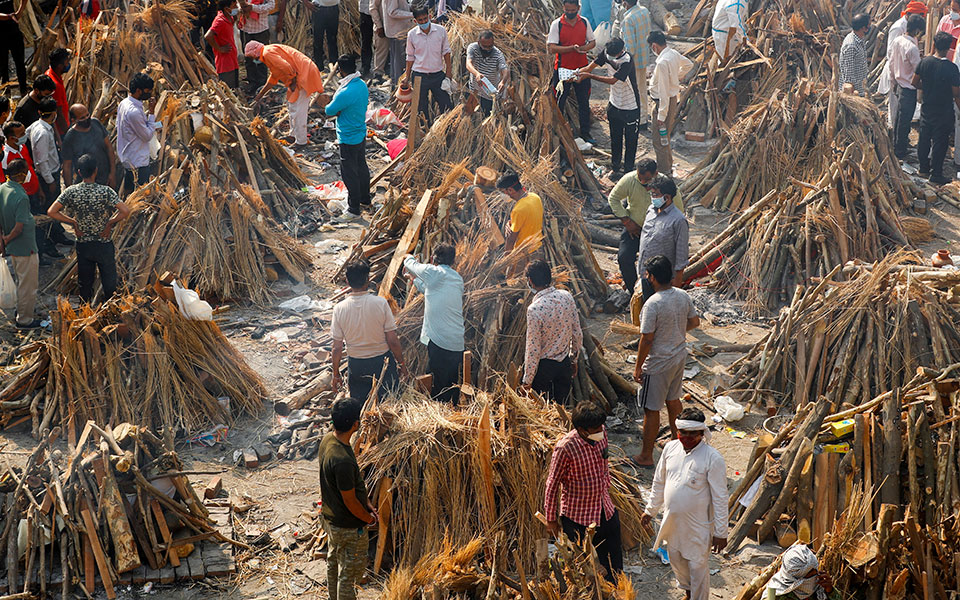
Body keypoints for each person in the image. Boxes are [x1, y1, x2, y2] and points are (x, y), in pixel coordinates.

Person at [642, 408, 728, 600]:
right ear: (677, 431)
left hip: (698, 527)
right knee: (677, 562)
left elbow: (720, 498)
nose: (687, 438)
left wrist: (721, 533)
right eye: (683, 433)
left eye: (692, 434)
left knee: (697, 568)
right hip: (672, 523)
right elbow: (659, 481)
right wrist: (650, 510)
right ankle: (689, 594)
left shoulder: (712, 458)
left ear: (702, 433)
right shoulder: (670, 449)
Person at [544, 401, 623, 582]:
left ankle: (615, 589)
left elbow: (604, 463)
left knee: (614, 564)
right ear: (582, 430)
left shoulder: (601, 434)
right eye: (596, 429)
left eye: (601, 427)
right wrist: (551, 520)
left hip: (604, 509)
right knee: (584, 570)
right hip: (578, 518)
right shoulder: (565, 448)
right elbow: (552, 484)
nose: (601, 431)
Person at [632, 255, 699, 466]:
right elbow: (694, 322)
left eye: (648, 274)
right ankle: (678, 445)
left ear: (652, 277)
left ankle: (646, 456)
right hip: (678, 357)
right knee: (673, 401)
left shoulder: (653, 304)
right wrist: (676, 331)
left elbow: (647, 339)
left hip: (658, 363)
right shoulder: (682, 295)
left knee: (651, 409)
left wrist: (638, 367)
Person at [48, 155, 131, 303]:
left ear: (79, 172)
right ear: (96, 170)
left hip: (84, 244)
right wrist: (109, 223)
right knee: (109, 283)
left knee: (85, 284)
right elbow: (125, 211)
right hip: (104, 243)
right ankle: (110, 310)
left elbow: (51, 212)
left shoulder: (71, 191)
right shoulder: (106, 191)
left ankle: (85, 310)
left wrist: (73, 222)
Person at [318, 398, 377, 600]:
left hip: (332, 520)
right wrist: (368, 519)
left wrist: (366, 501)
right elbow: (350, 501)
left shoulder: (329, 440)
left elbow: (348, 487)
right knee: (349, 577)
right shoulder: (342, 460)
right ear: (355, 424)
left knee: (334, 563)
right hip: (348, 527)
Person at [330, 259, 408, 400]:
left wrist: (335, 374)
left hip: (357, 365)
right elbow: (392, 340)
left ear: (347, 281)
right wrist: (401, 364)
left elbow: (337, 348)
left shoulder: (339, 309)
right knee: (388, 403)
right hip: (382, 363)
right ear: (368, 280)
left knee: (361, 405)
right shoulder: (380, 303)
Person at [609, 159, 685, 294]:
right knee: (624, 257)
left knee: (658, 266)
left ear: (656, 174)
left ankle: (658, 291)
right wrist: (626, 221)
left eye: (647, 179)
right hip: (634, 228)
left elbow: (677, 212)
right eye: (640, 178)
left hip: (659, 233)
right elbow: (613, 198)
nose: (643, 182)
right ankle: (634, 291)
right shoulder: (629, 180)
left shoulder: (666, 184)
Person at [402, 244, 465, 404]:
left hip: (440, 342)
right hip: (457, 342)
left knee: (437, 385)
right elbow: (430, 290)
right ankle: (453, 410)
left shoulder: (434, 272)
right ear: (453, 261)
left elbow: (412, 265)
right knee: (452, 383)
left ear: (432, 259)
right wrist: (413, 280)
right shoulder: (457, 278)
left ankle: (439, 411)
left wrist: (407, 257)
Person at [578, 38, 641, 175]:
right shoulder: (607, 53)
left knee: (631, 142)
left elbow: (612, 80)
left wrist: (589, 76)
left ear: (621, 51)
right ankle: (615, 168)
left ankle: (628, 171)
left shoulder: (627, 61)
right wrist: (577, 73)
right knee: (615, 139)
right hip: (614, 103)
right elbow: (589, 67)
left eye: (613, 55)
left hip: (630, 106)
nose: (610, 57)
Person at [523, 260, 582, 403]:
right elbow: (577, 333)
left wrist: (527, 380)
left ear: (530, 281)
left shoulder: (534, 309)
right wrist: (574, 360)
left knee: (543, 411)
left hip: (544, 369)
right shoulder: (566, 297)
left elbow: (533, 349)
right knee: (561, 408)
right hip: (564, 365)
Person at [248, 42, 325, 147]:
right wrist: (259, 96)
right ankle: (293, 135)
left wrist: (293, 81)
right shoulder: (268, 53)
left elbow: (286, 66)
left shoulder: (267, 53)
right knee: (292, 106)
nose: (253, 59)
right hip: (299, 74)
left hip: (303, 73)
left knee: (299, 110)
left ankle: (301, 141)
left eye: (251, 57)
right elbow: (273, 78)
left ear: (254, 52)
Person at [324, 54, 370, 222]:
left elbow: (329, 110)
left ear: (341, 70)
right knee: (361, 166)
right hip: (360, 132)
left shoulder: (345, 92)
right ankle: (365, 199)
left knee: (349, 174)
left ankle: (353, 209)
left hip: (348, 137)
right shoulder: (362, 85)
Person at [914, 31, 960, 184]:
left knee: (924, 138)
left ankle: (923, 168)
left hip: (927, 107)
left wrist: (928, 87)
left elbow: (914, 82)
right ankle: (936, 174)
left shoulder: (925, 62)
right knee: (940, 142)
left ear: (934, 44)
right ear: (948, 48)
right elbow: (956, 93)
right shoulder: (952, 68)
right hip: (944, 110)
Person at [547, 0, 596, 142]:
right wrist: (571, 49)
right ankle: (558, 133)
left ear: (578, 8)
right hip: (563, 68)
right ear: (563, 8)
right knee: (559, 102)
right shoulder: (557, 24)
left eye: (572, 10)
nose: (569, 13)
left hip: (582, 68)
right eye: (567, 10)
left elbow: (592, 42)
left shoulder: (584, 22)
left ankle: (585, 133)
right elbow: (552, 48)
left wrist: (583, 49)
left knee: (584, 102)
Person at [635, 175, 688, 301]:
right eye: (651, 194)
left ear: (667, 197)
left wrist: (677, 282)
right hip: (646, 273)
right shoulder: (650, 211)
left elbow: (681, 255)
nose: (652, 198)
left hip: (663, 280)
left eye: (655, 195)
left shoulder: (678, 220)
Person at [0, 160, 39, 328]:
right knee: (28, 286)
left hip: (14, 248)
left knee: (21, 280)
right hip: (25, 247)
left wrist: (3, 242)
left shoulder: (3, 188)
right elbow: (19, 228)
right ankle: (25, 319)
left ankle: (21, 310)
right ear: (22, 174)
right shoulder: (21, 197)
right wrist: (7, 239)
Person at [25, 98, 68, 248]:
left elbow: (25, 136)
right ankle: (49, 242)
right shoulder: (43, 133)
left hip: (48, 173)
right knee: (50, 209)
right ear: (54, 113)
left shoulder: (37, 126)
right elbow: (42, 161)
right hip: (47, 176)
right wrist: (50, 181)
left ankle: (57, 234)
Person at [648, 31, 692, 175]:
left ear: (654, 46)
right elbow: (689, 65)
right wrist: (675, 77)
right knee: (665, 137)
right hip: (671, 100)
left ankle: (664, 171)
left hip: (663, 102)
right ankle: (668, 165)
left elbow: (663, 93)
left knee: (659, 141)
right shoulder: (673, 53)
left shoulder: (662, 63)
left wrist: (661, 115)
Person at [880, 1, 927, 129]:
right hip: (898, 71)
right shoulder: (898, 28)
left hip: (903, 71)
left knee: (902, 114)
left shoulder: (909, 30)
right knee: (896, 111)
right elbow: (891, 53)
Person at [403, 6, 453, 121]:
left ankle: (446, 128)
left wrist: (448, 72)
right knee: (421, 108)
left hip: (438, 75)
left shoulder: (440, 31)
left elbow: (446, 52)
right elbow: (410, 57)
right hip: (419, 76)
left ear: (429, 17)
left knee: (446, 105)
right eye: (420, 20)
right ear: (415, 21)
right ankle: (425, 129)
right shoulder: (412, 34)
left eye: (425, 19)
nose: (424, 22)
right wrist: (407, 76)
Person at [116, 73, 157, 196]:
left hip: (128, 158)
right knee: (141, 196)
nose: (150, 93)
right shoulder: (134, 112)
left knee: (129, 193)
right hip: (138, 162)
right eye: (147, 91)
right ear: (139, 91)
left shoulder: (124, 103)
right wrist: (152, 112)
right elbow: (147, 136)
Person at [891, 14, 924, 159]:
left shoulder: (898, 41)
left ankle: (897, 145)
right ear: (917, 30)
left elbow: (892, 63)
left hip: (899, 84)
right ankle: (900, 151)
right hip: (909, 88)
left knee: (899, 118)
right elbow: (919, 70)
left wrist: (893, 82)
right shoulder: (912, 48)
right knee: (904, 121)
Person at [62, 104, 118, 188]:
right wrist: (69, 188)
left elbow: (109, 148)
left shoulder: (96, 123)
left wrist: (112, 174)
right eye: (82, 118)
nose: (87, 119)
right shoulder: (70, 137)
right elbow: (67, 165)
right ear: (74, 120)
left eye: (87, 115)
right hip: (86, 184)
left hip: (105, 179)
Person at [619, 0, 652, 129]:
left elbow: (630, 49)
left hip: (633, 62)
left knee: (633, 91)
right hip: (643, 57)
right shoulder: (644, 11)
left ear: (625, 3)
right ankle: (643, 117)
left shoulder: (628, 20)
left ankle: (638, 119)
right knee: (642, 88)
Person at [765, 544, 839, 600]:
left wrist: (830, 591)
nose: (814, 576)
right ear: (793, 578)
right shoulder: (774, 595)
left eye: (815, 571)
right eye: (809, 575)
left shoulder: (819, 587)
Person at [497, 173, 543, 254]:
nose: (502, 195)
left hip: (524, 252)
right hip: (537, 246)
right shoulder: (535, 197)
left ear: (510, 190)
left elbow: (511, 239)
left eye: (503, 192)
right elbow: (527, 220)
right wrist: (510, 223)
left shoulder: (518, 210)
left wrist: (507, 257)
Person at [465, 30, 509, 116]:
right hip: (474, 89)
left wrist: (503, 82)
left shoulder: (498, 54)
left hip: (489, 94)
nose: (488, 49)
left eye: (490, 46)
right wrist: (477, 74)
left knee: (486, 116)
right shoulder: (473, 48)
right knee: (468, 113)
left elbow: (505, 70)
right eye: (485, 46)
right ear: (479, 43)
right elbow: (468, 64)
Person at [238, 0, 275, 91]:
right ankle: (252, 82)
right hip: (246, 29)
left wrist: (253, 8)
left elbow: (271, 5)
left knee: (261, 58)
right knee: (248, 58)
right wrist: (241, 8)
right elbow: (238, 4)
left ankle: (262, 84)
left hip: (260, 30)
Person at [205, 0, 240, 89]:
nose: (237, 7)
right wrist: (220, 48)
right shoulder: (219, 21)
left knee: (235, 87)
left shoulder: (228, 17)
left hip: (232, 59)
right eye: (234, 5)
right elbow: (208, 36)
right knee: (228, 88)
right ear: (226, 9)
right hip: (225, 63)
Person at [0, 0, 27, 97]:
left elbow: (24, 2)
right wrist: (9, 16)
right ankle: (6, 95)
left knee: (20, 63)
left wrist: (20, 10)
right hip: (1, 36)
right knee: (3, 65)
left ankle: (24, 91)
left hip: (14, 32)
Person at [382, 0, 413, 84]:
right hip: (398, 31)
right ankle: (398, 84)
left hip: (397, 31)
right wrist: (411, 14)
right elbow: (392, 12)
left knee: (395, 59)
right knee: (399, 61)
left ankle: (395, 82)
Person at [304, 0, 339, 71]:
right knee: (318, 40)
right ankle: (319, 67)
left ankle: (334, 66)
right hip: (319, 9)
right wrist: (306, 2)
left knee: (333, 39)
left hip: (334, 8)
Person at [839, 14, 870, 93]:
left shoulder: (859, 39)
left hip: (860, 88)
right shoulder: (851, 45)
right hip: (853, 91)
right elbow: (848, 75)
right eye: (869, 25)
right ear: (863, 28)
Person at [44, 48, 71, 136]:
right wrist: (67, 133)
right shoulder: (55, 85)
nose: (68, 64)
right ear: (59, 66)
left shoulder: (50, 73)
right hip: (61, 130)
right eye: (66, 62)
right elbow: (59, 113)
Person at [367, 0, 390, 78]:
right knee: (381, 51)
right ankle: (378, 75)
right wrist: (379, 26)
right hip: (382, 26)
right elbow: (373, 8)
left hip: (395, 26)